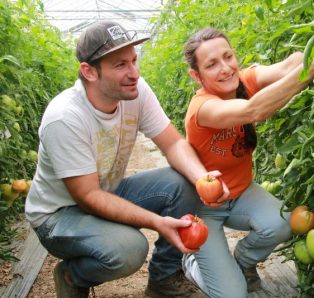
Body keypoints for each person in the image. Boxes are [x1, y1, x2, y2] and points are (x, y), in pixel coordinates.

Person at [24, 21, 228, 298]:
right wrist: (157, 222)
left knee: (184, 182)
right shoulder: (65, 118)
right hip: (59, 215)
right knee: (130, 250)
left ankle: (164, 280)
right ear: (89, 71)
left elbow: (174, 143)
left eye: (134, 60)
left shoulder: (136, 90)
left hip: (106, 191)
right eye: (120, 65)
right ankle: (74, 276)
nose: (134, 72)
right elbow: (88, 197)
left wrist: (202, 179)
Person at [181, 27, 314, 298]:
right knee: (232, 295)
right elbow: (254, 110)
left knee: (284, 222)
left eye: (228, 56)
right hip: (205, 207)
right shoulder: (203, 108)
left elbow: (291, 63)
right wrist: (310, 71)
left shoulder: (243, 81)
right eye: (211, 64)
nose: (225, 68)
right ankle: (193, 263)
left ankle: (243, 262)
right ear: (196, 75)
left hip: (241, 194)